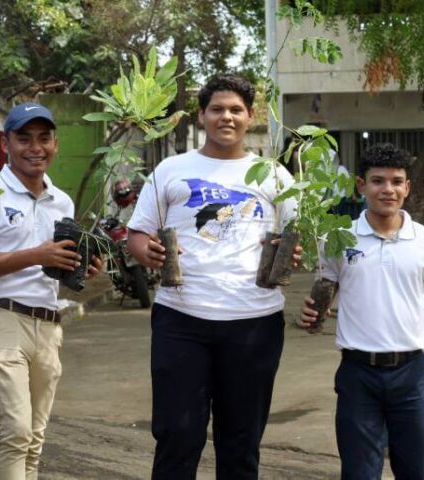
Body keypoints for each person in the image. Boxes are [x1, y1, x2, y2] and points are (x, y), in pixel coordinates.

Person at [127, 74, 300, 479]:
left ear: (250, 116)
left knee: (240, 441)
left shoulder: (274, 176)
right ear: (202, 116)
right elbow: (137, 234)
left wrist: (291, 254)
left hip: (254, 322)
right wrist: (146, 251)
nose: (227, 116)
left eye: (236, 110)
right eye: (217, 109)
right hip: (181, 319)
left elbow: (296, 240)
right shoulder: (171, 169)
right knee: (178, 433)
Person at [298, 143, 424, 479]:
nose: (388, 189)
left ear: (407, 187)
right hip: (357, 373)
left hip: (411, 374)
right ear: (361, 186)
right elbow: (322, 297)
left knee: (415, 471)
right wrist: (311, 314)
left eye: (397, 181)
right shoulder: (338, 238)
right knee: (358, 472)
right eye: (378, 181)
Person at [0, 102, 102, 480]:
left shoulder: (62, 201)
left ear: (55, 143)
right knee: (16, 432)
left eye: (44, 138)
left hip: (48, 324)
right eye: (24, 138)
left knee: (35, 438)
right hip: (2, 319)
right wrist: (36, 254)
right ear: (5, 143)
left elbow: (56, 269)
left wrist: (81, 266)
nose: (35, 147)